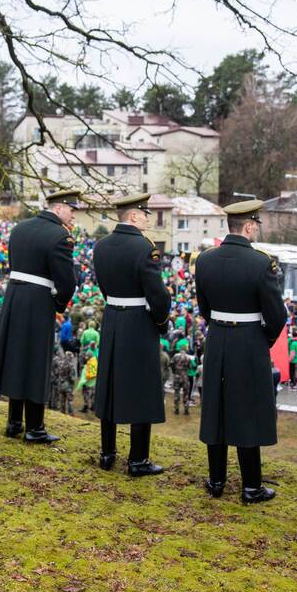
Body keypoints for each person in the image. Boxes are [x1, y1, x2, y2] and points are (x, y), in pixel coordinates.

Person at [194, 199, 287, 504]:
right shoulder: (262, 263)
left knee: (217, 408)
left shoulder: (205, 260)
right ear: (248, 226)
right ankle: (251, 486)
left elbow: (204, 308)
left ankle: (216, 480)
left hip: (218, 337)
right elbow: (277, 316)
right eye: (255, 225)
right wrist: (264, 339)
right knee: (247, 410)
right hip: (249, 340)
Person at [0, 190, 78, 443]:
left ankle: (14, 421)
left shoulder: (20, 228)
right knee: (36, 360)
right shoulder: (61, 236)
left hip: (15, 297)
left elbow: (14, 264)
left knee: (17, 357)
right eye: (71, 209)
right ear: (58, 208)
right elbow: (67, 282)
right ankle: (35, 427)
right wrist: (59, 304)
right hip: (38, 300)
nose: (73, 214)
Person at [92, 194, 172, 477]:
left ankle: (107, 453)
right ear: (134, 217)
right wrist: (161, 323)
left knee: (110, 384)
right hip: (139, 321)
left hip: (113, 316)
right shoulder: (145, 248)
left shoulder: (100, 246)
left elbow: (103, 286)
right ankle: (138, 460)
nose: (148, 219)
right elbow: (158, 296)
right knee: (141, 388)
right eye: (145, 214)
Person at [171, 348, 192, 415]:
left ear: (180, 351)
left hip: (177, 376)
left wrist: (174, 371)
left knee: (177, 393)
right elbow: (190, 367)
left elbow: (171, 364)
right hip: (185, 377)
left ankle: (177, 409)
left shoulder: (175, 356)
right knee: (186, 394)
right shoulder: (188, 357)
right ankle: (186, 410)